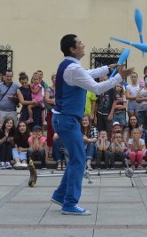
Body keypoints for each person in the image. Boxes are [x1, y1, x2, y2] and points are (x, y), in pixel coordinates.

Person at [50, 33, 131, 215]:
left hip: (64, 119)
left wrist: (108, 69)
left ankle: (60, 194)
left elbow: (88, 74)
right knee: (79, 159)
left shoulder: (70, 65)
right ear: (72, 49)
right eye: (80, 43)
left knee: (76, 158)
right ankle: (70, 203)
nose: (83, 44)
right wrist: (119, 77)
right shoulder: (73, 68)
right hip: (67, 120)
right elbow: (96, 88)